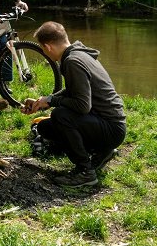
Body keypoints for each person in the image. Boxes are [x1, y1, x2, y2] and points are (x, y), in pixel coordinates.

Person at [22, 21, 126, 187]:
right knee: (45, 128)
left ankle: (85, 171)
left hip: (111, 128)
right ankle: (101, 152)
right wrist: (45, 101)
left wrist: (52, 101)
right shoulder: (78, 53)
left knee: (60, 115)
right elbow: (73, 91)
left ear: (48, 47)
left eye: (42, 49)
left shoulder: (73, 62)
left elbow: (83, 105)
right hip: (104, 124)